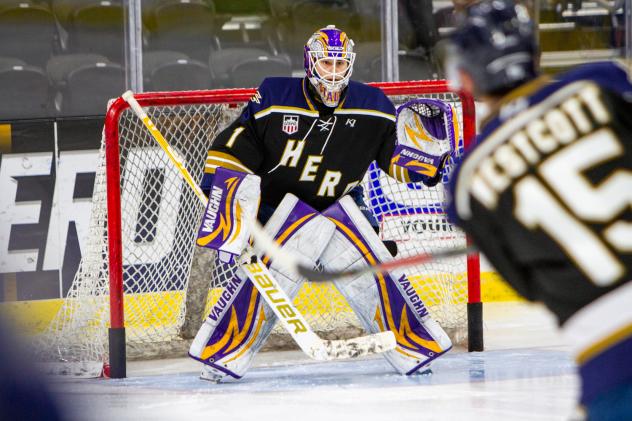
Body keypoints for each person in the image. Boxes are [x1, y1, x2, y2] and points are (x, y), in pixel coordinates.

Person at [188, 25, 456, 382]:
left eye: (340, 64)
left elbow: (394, 160)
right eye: (326, 64)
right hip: (282, 213)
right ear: (310, 63)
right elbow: (233, 151)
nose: (333, 72)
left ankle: (415, 345)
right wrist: (231, 211)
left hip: (341, 207)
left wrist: (426, 161)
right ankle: (221, 354)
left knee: (374, 275)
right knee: (265, 289)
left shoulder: (373, 106)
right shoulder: (274, 96)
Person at [445, 1, 632, 419]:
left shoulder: (467, 181)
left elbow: (526, 288)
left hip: (610, 360)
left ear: (468, 77)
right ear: (535, 52)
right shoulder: (602, 83)